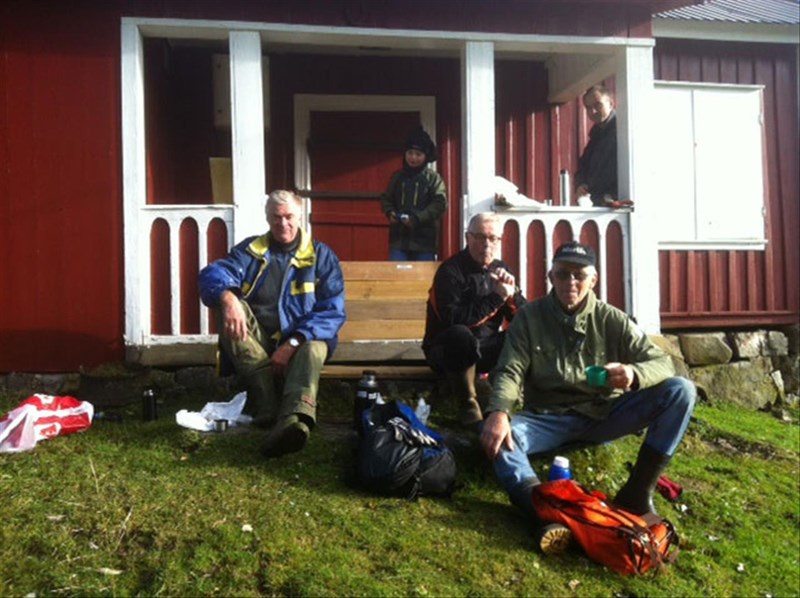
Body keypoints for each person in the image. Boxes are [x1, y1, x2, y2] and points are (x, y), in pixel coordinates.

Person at [480, 241, 696, 519]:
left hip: (604, 414)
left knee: (681, 391)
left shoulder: (612, 319)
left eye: (579, 275)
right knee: (504, 438)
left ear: (593, 280)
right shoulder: (528, 318)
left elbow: (663, 362)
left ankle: (638, 492)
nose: (571, 281)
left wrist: (634, 374)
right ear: (550, 277)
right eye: (562, 274)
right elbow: (510, 370)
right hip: (547, 418)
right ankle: (537, 504)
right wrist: (499, 412)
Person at [198, 190, 346, 458]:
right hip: (261, 342)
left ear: (299, 217)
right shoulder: (251, 251)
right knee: (226, 307)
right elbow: (214, 273)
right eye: (276, 217)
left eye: (289, 216)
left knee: (313, 348)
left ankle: (294, 418)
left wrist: (293, 342)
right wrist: (228, 298)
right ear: (267, 218)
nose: (283, 224)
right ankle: (266, 404)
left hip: (304, 340)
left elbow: (332, 312)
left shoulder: (321, 257)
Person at [423, 212, 525, 427]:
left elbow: (522, 317)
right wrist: (497, 297)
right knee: (460, 334)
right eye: (480, 237)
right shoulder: (450, 271)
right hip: (446, 351)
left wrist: (512, 295)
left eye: (492, 238)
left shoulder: (502, 269)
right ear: (468, 238)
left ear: (499, 240)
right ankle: (468, 405)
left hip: (483, 350)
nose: (486, 244)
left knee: (524, 333)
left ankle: (519, 398)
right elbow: (452, 319)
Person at [380, 126, 447, 261]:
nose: (413, 158)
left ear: (426, 156)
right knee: (397, 277)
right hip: (398, 242)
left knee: (422, 280)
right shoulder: (397, 177)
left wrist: (417, 218)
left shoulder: (433, 179)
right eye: (410, 153)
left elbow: (440, 204)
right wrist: (390, 212)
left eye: (418, 154)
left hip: (424, 243)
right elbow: (386, 199)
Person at [575, 85, 617, 207]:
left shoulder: (623, 131)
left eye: (597, 105)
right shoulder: (596, 135)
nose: (592, 111)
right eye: (588, 108)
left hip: (616, 204)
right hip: (599, 202)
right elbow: (583, 166)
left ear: (611, 104)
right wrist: (580, 184)